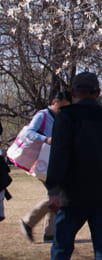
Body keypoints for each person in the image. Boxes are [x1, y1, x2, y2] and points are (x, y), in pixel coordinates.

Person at [46, 72, 102, 260]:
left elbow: (59, 155)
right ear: (98, 92)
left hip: (72, 195)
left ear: (72, 92)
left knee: (61, 249)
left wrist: (53, 189)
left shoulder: (66, 117)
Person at [19, 90, 72, 244]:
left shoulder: (61, 118)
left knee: (57, 196)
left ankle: (49, 233)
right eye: (62, 107)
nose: (63, 110)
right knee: (56, 195)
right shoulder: (42, 115)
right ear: (54, 102)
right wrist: (45, 139)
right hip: (43, 163)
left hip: (54, 162)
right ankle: (29, 222)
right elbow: (29, 133)